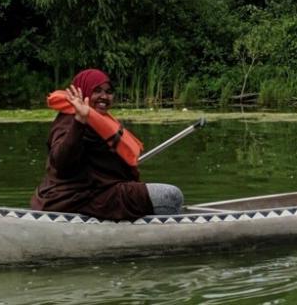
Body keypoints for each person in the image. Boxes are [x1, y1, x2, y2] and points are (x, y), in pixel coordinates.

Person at [30, 68, 184, 220]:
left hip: (100, 192)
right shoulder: (69, 120)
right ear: (83, 93)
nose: (104, 96)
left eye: (109, 92)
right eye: (97, 91)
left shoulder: (99, 121)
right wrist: (79, 121)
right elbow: (61, 162)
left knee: (165, 198)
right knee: (170, 196)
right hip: (76, 199)